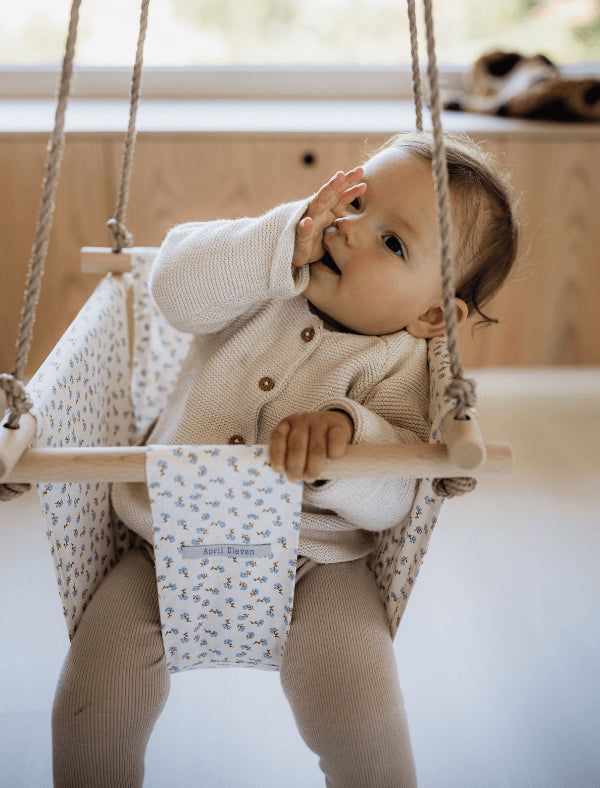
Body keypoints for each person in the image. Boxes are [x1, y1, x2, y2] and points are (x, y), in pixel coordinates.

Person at [51, 131, 519, 788]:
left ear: (435, 314)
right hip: (157, 543)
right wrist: (278, 244)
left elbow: (394, 503)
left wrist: (346, 440)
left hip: (319, 565)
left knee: (365, 728)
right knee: (91, 713)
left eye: (393, 241)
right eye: (354, 202)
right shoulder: (263, 278)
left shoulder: (405, 368)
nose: (351, 231)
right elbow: (173, 287)